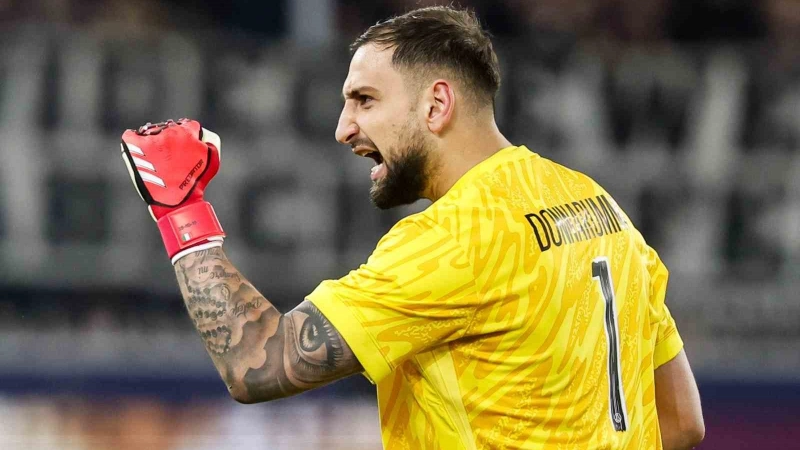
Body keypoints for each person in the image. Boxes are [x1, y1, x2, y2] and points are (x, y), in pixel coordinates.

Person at [119, 6, 704, 450]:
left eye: (365, 100)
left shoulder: (456, 239)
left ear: (436, 104)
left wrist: (180, 208)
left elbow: (258, 362)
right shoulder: (599, 207)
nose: (344, 128)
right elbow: (681, 423)